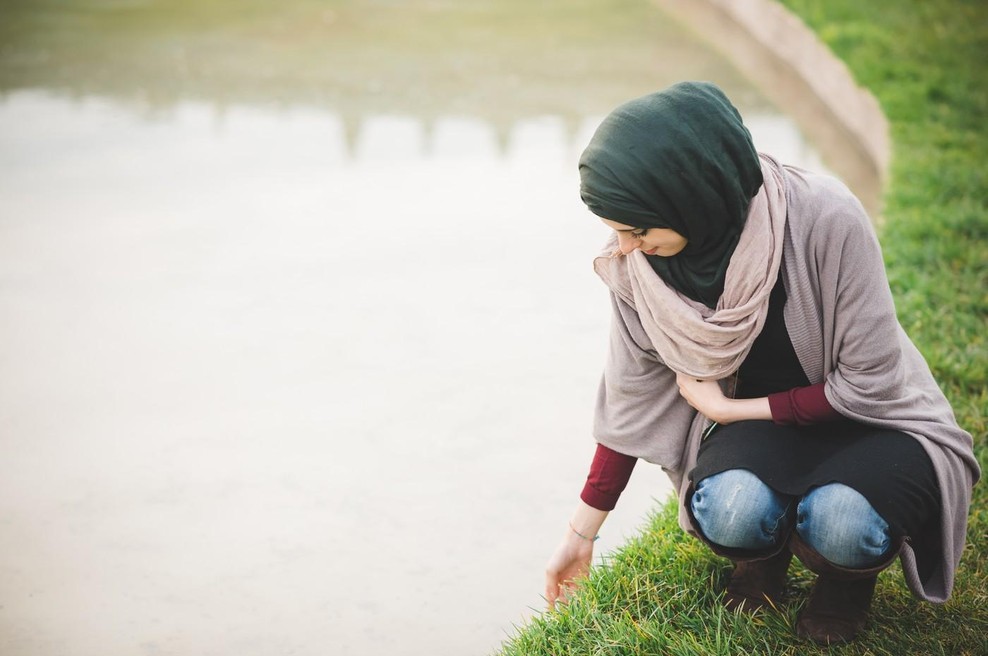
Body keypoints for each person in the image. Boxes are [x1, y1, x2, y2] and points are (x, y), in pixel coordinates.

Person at [543, 81, 979, 645]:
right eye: (616, 230)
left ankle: (845, 584)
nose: (625, 246)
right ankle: (761, 562)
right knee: (731, 508)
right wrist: (581, 534)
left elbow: (868, 385)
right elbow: (632, 400)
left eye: (637, 229)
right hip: (762, 433)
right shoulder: (638, 269)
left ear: (691, 196)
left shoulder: (826, 218)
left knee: (843, 520)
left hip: (873, 421)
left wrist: (729, 409)